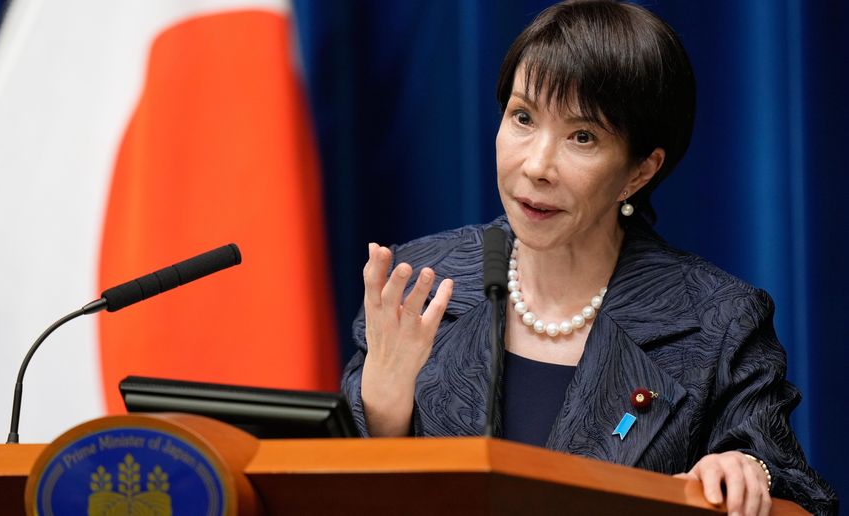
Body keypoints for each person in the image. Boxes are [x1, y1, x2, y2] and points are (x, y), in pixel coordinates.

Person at [341, 1, 838, 514]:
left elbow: (797, 494)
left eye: (583, 136)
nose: (536, 165)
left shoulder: (716, 321)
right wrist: (383, 412)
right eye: (523, 117)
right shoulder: (419, 283)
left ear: (639, 172)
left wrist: (747, 470)